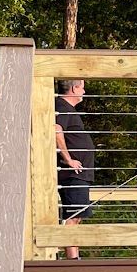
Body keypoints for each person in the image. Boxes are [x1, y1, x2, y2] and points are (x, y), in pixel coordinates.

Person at [54, 76, 94, 260]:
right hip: (73, 173)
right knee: (74, 214)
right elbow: (56, 129)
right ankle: (72, 260)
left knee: (78, 215)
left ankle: (74, 257)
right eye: (82, 88)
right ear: (74, 88)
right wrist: (68, 158)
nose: (84, 92)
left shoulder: (67, 109)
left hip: (80, 173)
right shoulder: (62, 106)